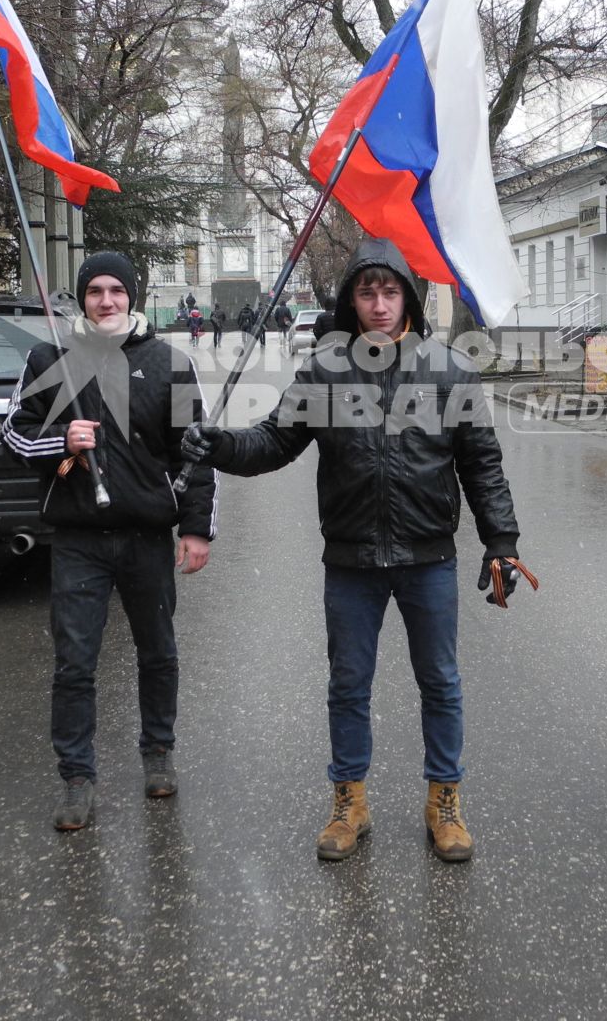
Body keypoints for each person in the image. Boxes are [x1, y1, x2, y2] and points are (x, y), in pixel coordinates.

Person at [179, 238, 526, 864]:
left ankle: (444, 801)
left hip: (428, 559)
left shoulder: (450, 370)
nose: (379, 303)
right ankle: (350, 801)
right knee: (348, 685)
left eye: (390, 291)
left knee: (441, 683)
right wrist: (221, 447)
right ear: (351, 302)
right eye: (367, 292)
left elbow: (482, 465)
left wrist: (501, 540)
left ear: (409, 300)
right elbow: (275, 443)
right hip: (352, 559)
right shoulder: (324, 372)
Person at [2, 251, 217, 832]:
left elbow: (195, 455)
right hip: (78, 540)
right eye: (95, 290)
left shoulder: (168, 362)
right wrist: (61, 443)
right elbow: (13, 436)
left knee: (159, 652)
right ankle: (76, 777)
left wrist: (195, 528)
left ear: (132, 297)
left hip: (147, 536)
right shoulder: (50, 358)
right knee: (74, 662)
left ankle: (158, 753)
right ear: (81, 298)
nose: (105, 300)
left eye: (116, 291)